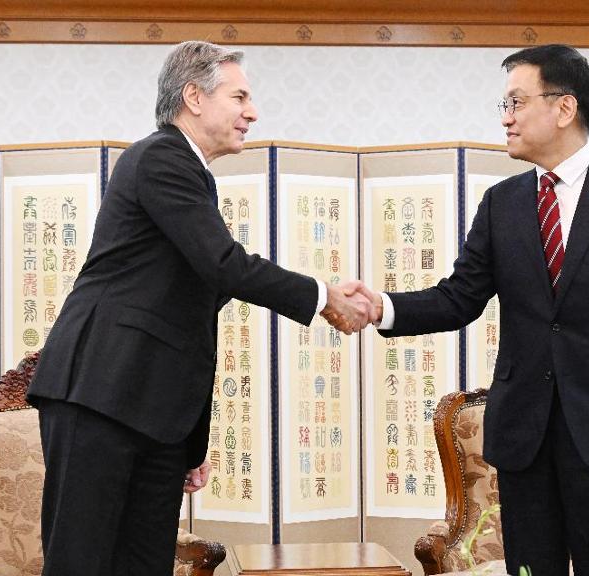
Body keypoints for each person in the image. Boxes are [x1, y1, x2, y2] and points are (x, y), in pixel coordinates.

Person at [27, 41, 374, 575]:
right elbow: (224, 265)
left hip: (149, 414)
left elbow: (191, 306)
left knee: (144, 565)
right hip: (100, 393)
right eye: (239, 96)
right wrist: (323, 296)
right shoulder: (161, 157)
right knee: (82, 562)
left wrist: (187, 441)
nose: (252, 112)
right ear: (193, 96)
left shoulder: (189, 174)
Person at [355, 44, 589, 576]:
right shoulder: (503, 202)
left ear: (564, 108)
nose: (506, 118)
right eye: (504, 105)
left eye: (516, 102)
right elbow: (458, 297)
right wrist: (383, 307)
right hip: (524, 435)